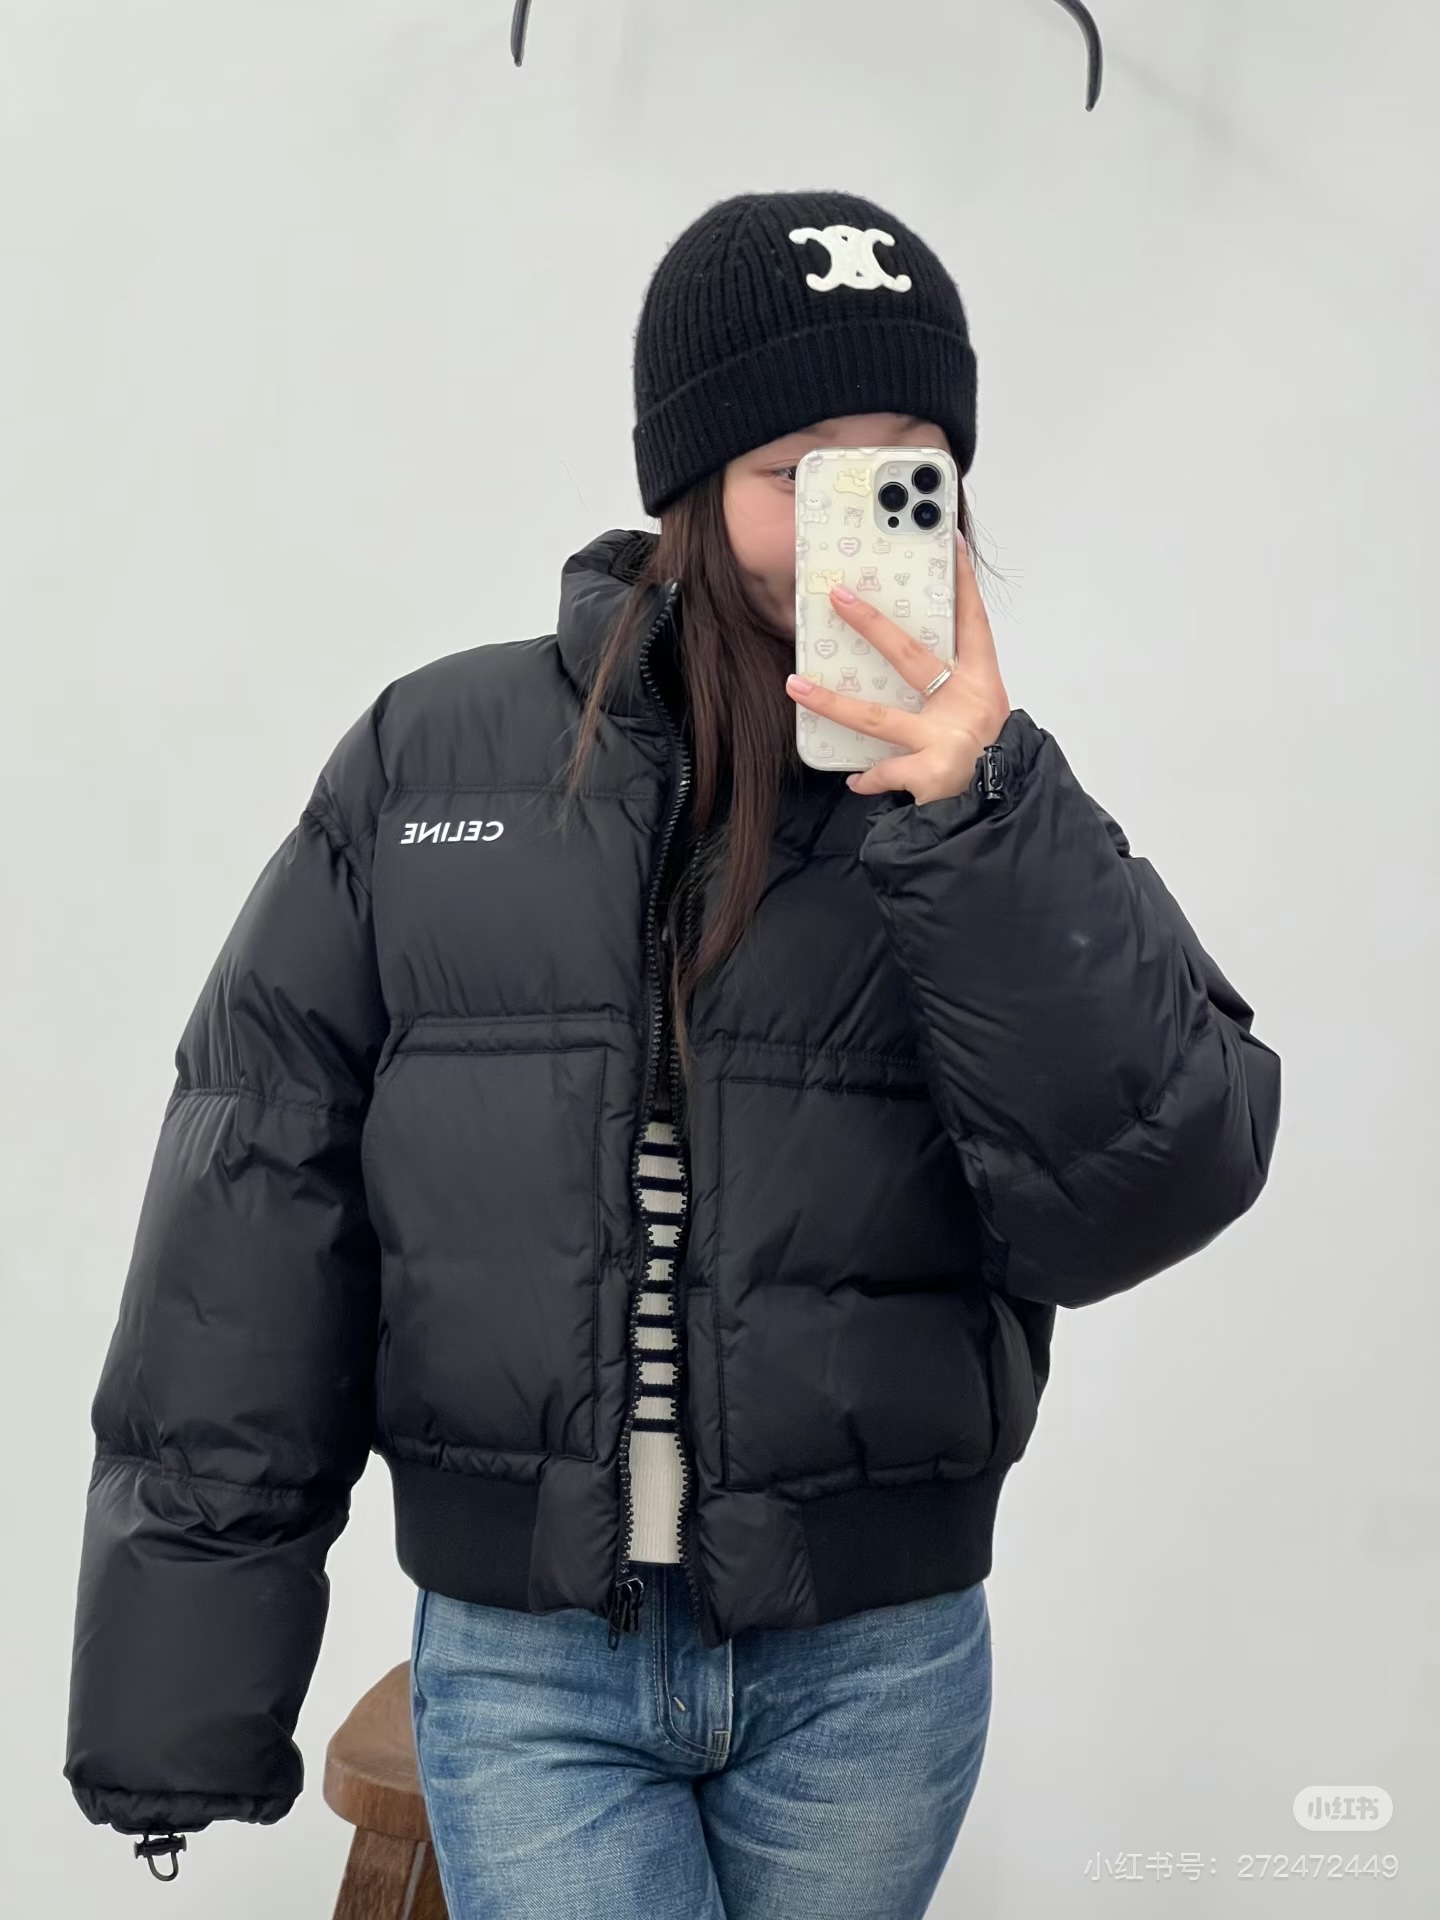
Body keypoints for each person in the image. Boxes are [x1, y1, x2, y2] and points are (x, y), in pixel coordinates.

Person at [64, 189, 1282, 1917]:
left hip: (875, 1663)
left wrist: (981, 814)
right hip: (532, 1658)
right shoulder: (430, 759)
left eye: (911, 466)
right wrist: (180, 1698)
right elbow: (254, 1203)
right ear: (691, 482)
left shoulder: (984, 806)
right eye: (802, 469)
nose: (860, 512)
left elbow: (1154, 1181)